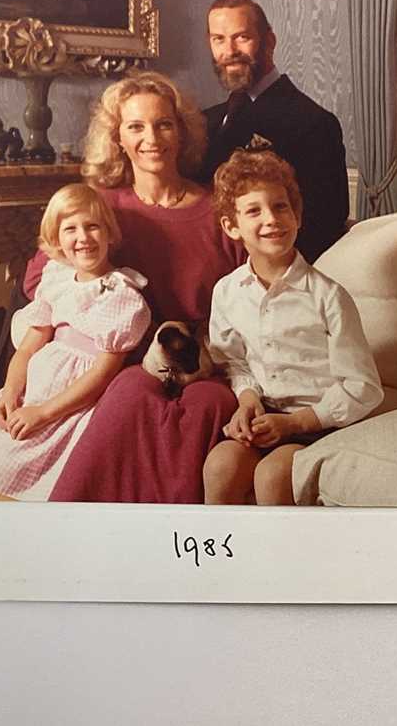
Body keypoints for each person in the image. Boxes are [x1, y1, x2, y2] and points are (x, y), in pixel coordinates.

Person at [23, 71, 246, 504]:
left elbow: (251, 289)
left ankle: (177, 529)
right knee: (128, 394)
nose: (151, 138)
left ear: (181, 132)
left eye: (164, 124)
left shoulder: (217, 208)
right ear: (118, 139)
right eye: (136, 127)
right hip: (125, 360)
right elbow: (40, 279)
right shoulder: (102, 206)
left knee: (209, 404)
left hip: (208, 358)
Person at [202, 149, 383, 505]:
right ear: (231, 226)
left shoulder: (328, 296)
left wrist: (297, 423)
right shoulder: (226, 292)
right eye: (254, 211)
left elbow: (363, 387)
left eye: (280, 207)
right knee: (220, 465)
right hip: (265, 416)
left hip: (319, 421)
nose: (271, 219)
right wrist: (248, 399)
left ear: (297, 216)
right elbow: (234, 362)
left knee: (272, 475)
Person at [0, 184, 150, 500]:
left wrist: (44, 413)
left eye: (92, 226)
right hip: (34, 389)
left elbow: (102, 373)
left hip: (71, 404)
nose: (83, 237)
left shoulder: (122, 297)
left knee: (32, 460)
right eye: (70, 229)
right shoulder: (58, 280)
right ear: (57, 240)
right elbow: (27, 348)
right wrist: (11, 391)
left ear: (109, 234)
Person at [200, 0, 349, 262]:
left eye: (242, 37)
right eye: (218, 39)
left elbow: (324, 227)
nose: (229, 51)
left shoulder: (313, 123)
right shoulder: (204, 122)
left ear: (269, 41)